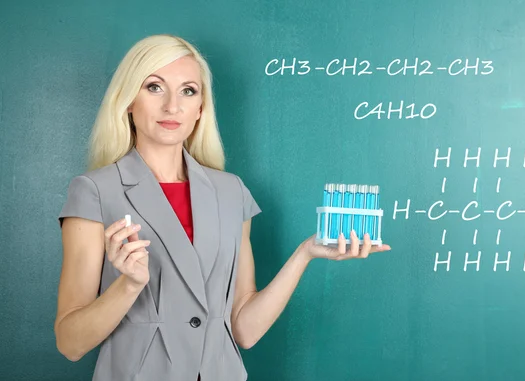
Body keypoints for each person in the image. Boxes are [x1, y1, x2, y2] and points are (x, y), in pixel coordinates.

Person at [54, 34, 391, 381]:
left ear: (201, 108)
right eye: (154, 87)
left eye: (188, 91)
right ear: (128, 101)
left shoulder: (232, 192)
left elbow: (244, 329)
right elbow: (70, 343)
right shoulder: (94, 191)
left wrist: (305, 254)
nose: (173, 106)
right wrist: (127, 285)